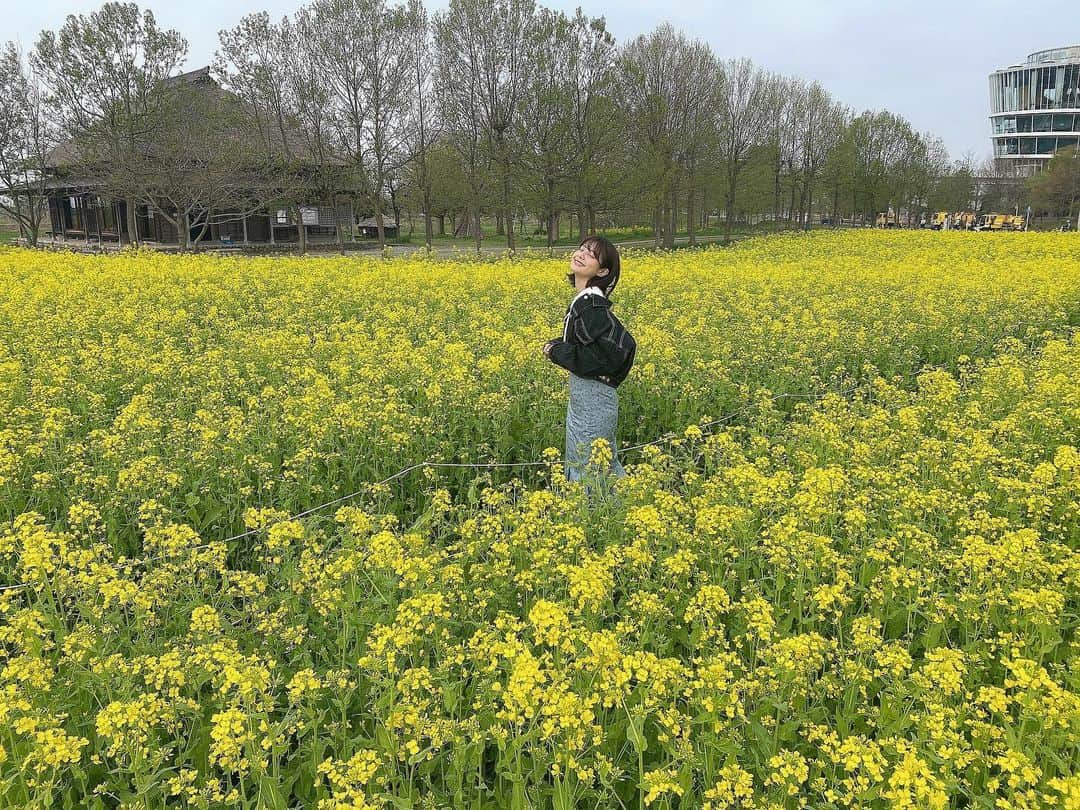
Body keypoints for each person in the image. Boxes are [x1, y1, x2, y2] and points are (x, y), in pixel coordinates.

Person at [542, 235, 636, 491]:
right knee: (595, 461)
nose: (581, 254)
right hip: (589, 394)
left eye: (591, 255)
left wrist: (555, 352)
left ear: (602, 271)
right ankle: (616, 509)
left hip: (594, 396)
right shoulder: (587, 301)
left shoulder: (591, 306)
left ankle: (592, 516)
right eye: (582, 249)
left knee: (589, 463)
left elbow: (601, 357)